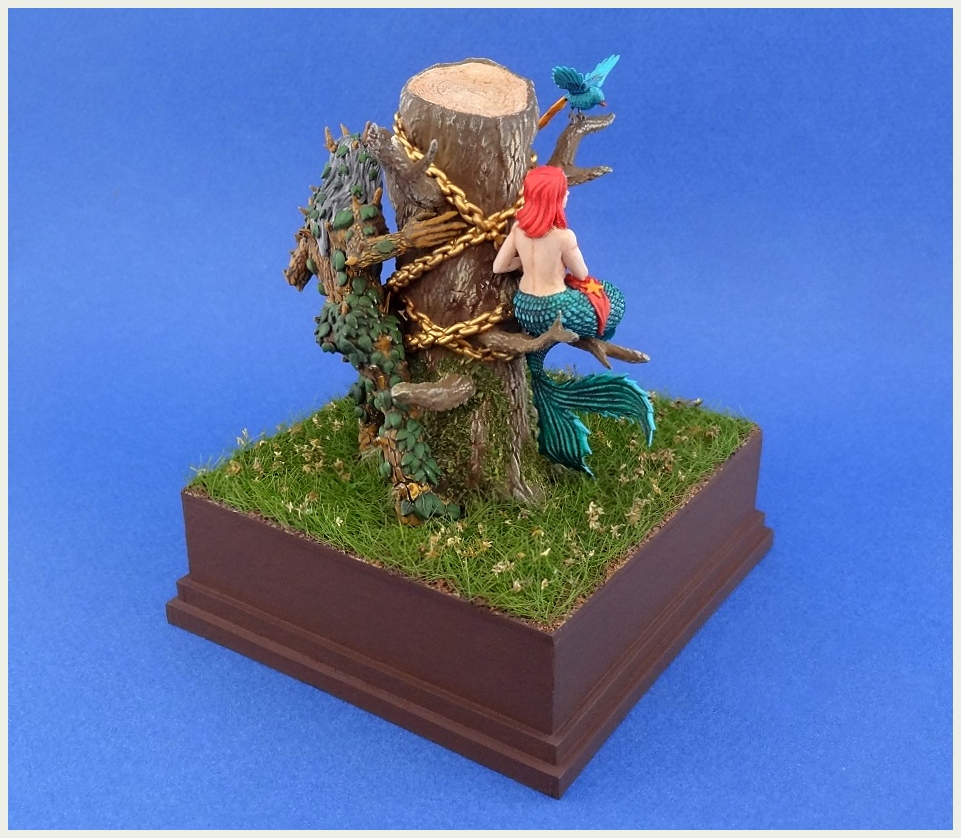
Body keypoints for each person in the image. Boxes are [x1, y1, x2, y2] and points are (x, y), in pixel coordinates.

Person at [492, 165, 654, 475]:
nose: (567, 195)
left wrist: (527, 263)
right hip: (556, 308)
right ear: (554, 199)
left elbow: (500, 266)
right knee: (614, 298)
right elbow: (581, 273)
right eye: (563, 192)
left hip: (525, 306)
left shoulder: (518, 230)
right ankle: (598, 338)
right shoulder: (564, 237)